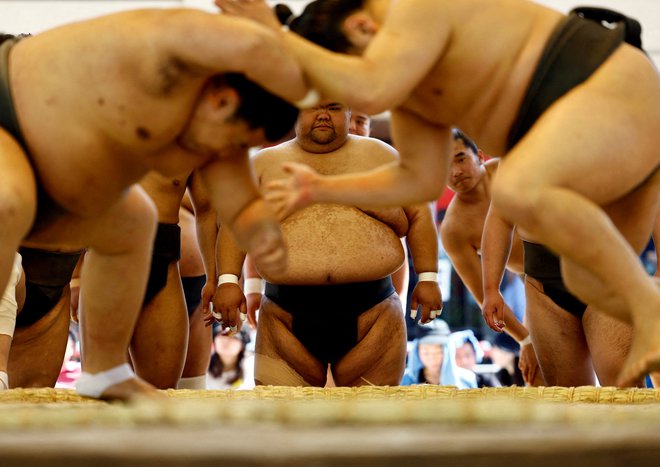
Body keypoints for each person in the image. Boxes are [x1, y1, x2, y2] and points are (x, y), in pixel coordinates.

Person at [218, 0, 660, 386]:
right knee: (590, 277)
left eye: (341, 83)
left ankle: (651, 309)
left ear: (362, 30)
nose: (340, 102)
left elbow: (373, 86)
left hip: (601, 81)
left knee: (518, 186)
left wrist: (275, 36)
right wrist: (320, 187)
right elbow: (419, 183)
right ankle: (645, 307)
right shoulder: (417, 94)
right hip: (601, 136)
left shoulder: (418, 10)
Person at [0, 9, 308, 400]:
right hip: (9, 108)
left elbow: (232, 192)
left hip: (57, 186)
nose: (228, 155)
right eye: (237, 141)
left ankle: (105, 370)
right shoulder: (167, 52)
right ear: (221, 101)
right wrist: (268, 32)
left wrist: (259, 228)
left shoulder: (218, 119)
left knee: (135, 220)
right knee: (6, 199)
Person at [214, 100, 442, 387]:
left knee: (373, 420)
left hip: (374, 312)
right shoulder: (263, 164)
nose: (323, 115)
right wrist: (228, 281)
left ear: (349, 111)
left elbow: (420, 213)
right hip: (285, 315)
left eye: (334, 108)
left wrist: (429, 277)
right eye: (313, 107)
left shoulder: (382, 156)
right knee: (285, 421)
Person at [482, 169, 660, 387]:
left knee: (622, 388)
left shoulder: (609, 137)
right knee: (566, 395)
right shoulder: (520, 140)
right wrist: (491, 287)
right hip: (543, 282)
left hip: (606, 273)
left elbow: (652, 186)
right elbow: (500, 212)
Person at [439, 128, 542, 385]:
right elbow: (487, 298)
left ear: (480, 155)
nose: (455, 172)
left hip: (578, 260)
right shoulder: (454, 228)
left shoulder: (509, 169)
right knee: (542, 379)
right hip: (537, 286)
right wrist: (525, 340)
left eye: (460, 158)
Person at [401, 319, 477, 388]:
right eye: (426, 353)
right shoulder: (403, 382)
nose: (432, 358)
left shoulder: (467, 380)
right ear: (417, 352)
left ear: (448, 351)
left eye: (438, 352)